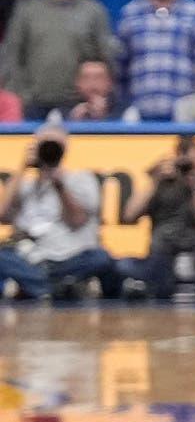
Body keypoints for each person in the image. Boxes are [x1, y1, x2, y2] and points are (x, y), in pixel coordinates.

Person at [0, 126, 115, 300]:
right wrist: (22, 167)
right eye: (43, 146)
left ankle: (39, 288)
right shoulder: (25, 185)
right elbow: (2, 215)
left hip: (72, 257)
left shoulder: (81, 179)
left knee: (101, 258)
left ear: (64, 149)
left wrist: (59, 185)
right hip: (33, 260)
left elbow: (77, 220)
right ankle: (58, 289)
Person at [3, 0, 119, 118]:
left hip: (79, 104)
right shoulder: (27, 11)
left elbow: (106, 57)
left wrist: (100, 96)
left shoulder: (94, 11)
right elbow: (11, 55)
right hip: (33, 103)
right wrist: (20, 95)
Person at [124, 134, 195, 299]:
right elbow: (129, 215)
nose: (190, 168)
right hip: (162, 252)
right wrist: (155, 179)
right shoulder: (161, 184)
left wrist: (193, 188)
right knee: (124, 266)